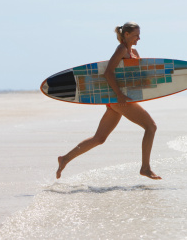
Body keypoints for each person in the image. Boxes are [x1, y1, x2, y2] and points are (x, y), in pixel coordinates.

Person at [56, 22, 161, 180]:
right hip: (119, 99)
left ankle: (65, 158)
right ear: (126, 35)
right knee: (151, 127)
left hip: (118, 99)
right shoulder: (122, 49)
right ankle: (145, 168)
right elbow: (108, 73)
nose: (139, 38)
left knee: (99, 138)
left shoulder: (134, 51)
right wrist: (119, 94)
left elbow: (135, 76)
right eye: (135, 35)